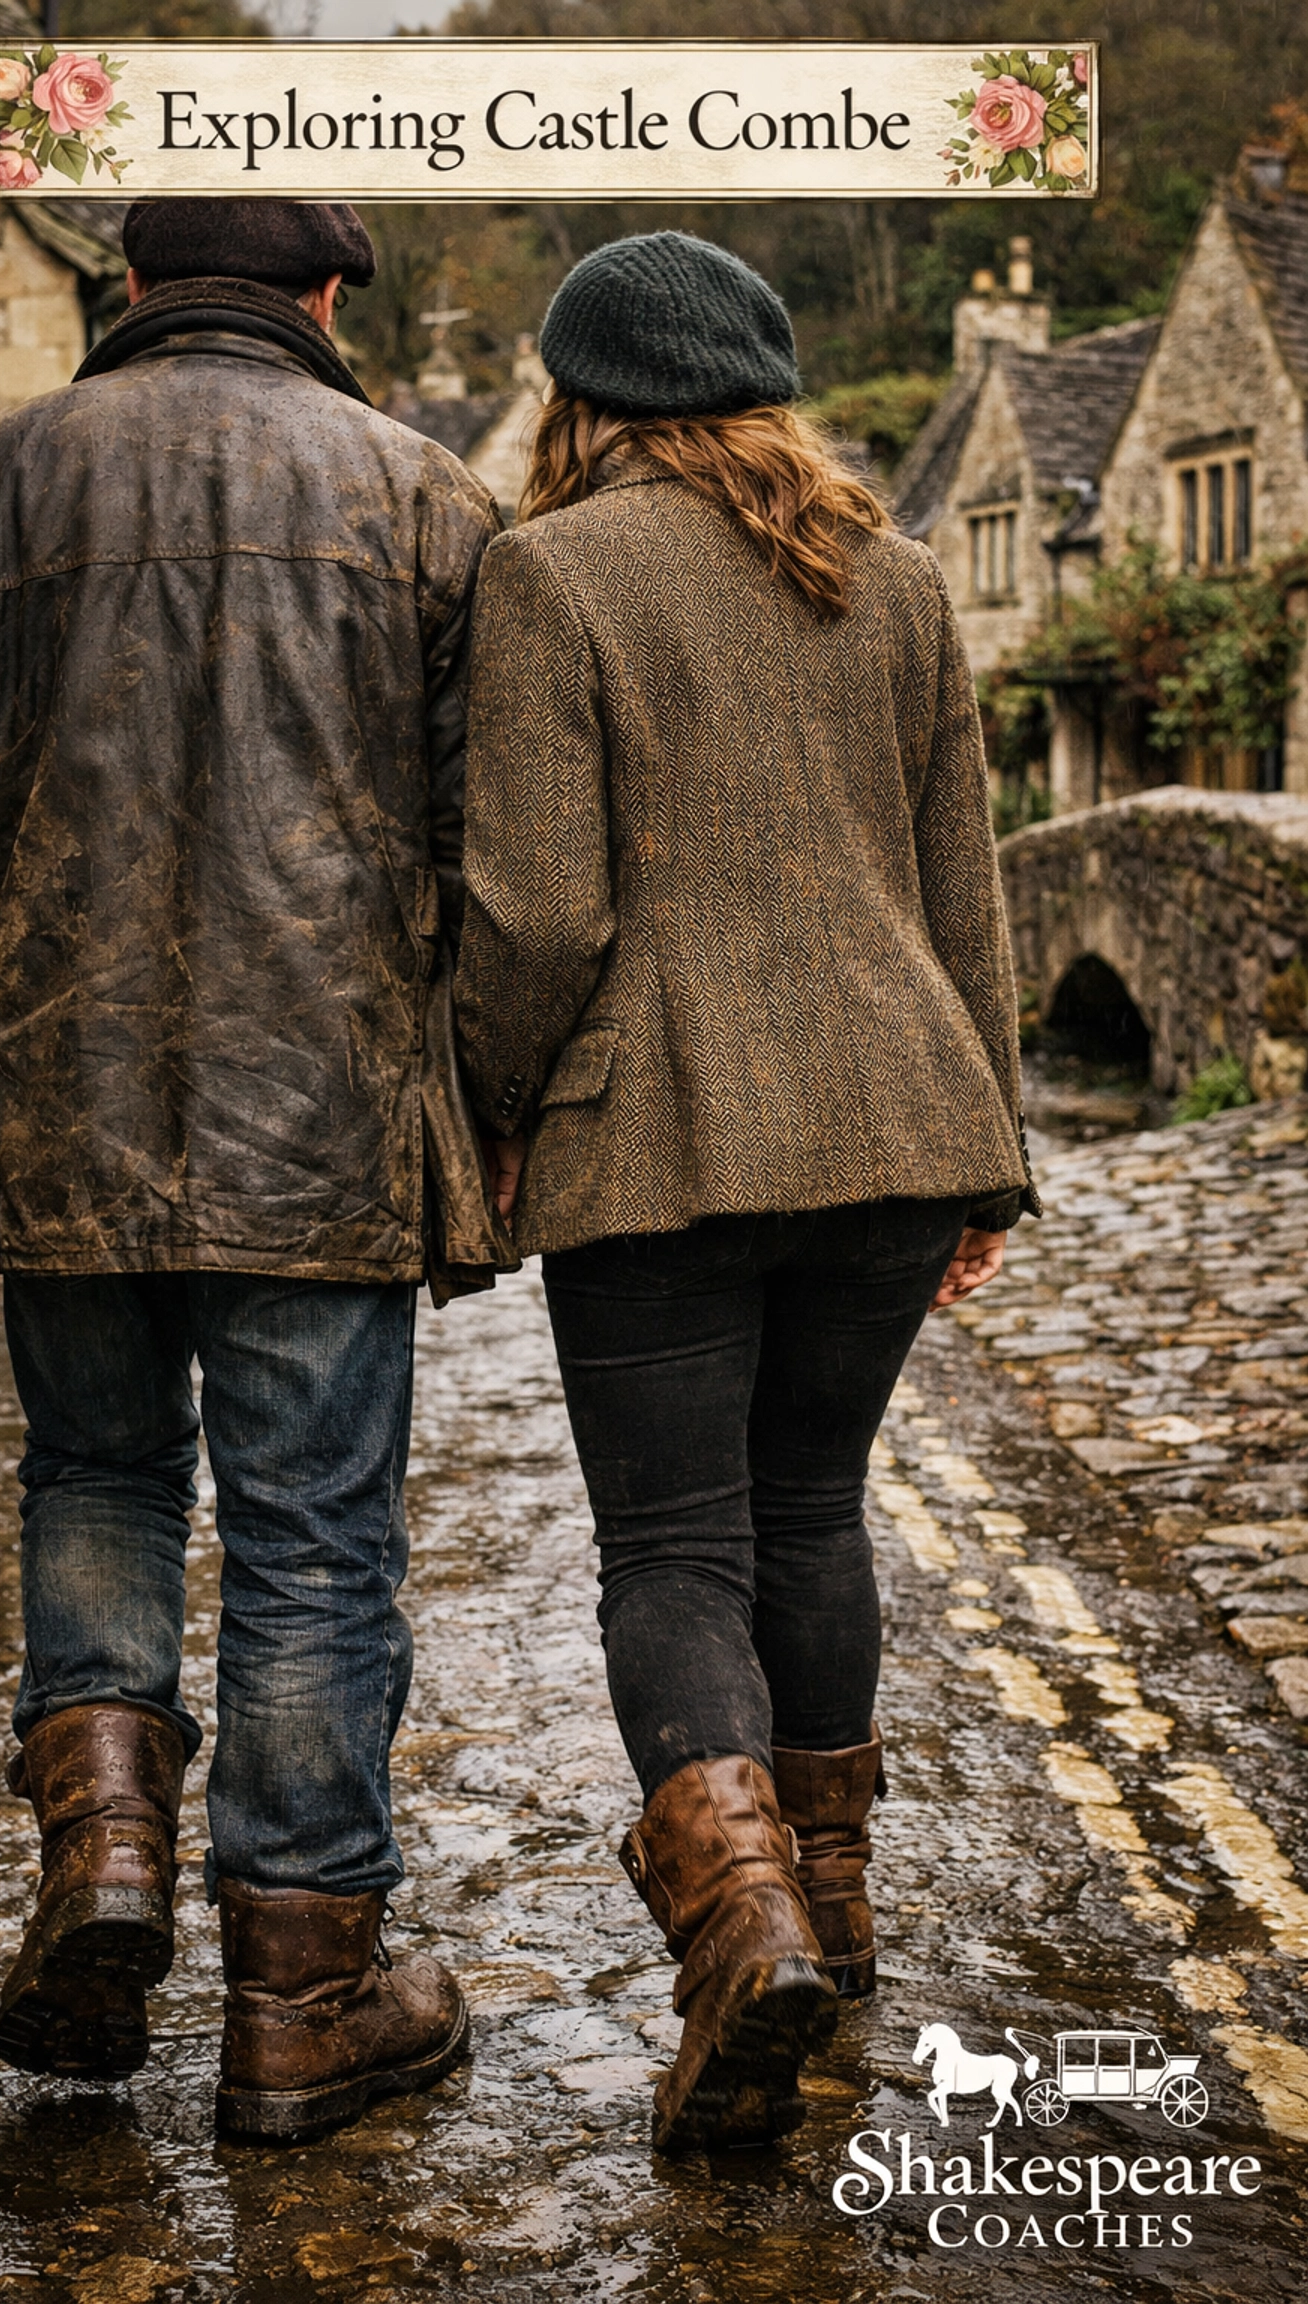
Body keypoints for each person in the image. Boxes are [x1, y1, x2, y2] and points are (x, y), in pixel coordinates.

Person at [0, 197, 513, 2144]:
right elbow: (509, 853)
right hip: (331, 1129)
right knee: (315, 1537)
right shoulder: (428, 500)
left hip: (62, 1107)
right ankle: (304, 2002)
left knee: (97, 1473)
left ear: (123, 290)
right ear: (319, 300)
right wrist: (477, 1081)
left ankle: (103, 1861)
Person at [454, 232, 1037, 2157]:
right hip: (895, 1121)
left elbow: (536, 913)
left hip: (663, 1144)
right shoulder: (903, 580)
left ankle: (748, 1924)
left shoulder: (548, 571)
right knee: (811, 1508)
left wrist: (494, 1108)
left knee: (677, 1549)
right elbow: (972, 891)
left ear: (585, 397)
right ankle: (837, 1913)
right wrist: (991, 1160)